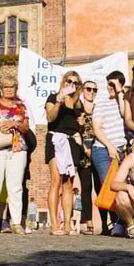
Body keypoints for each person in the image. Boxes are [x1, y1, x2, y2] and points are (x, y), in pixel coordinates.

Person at [0, 76, 30, 235]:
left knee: (15, 186)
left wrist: (15, 123)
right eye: (6, 87)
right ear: (0, 89)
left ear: (16, 88)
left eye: (12, 86)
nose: (9, 89)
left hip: (17, 148)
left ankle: (16, 222)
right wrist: (1, 124)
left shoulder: (22, 106)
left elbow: (26, 127)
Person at [45, 70, 82, 235]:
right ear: (63, 82)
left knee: (68, 183)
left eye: (75, 82)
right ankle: (54, 223)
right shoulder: (53, 97)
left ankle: (67, 224)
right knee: (56, 180)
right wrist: (60, 100)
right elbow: (50, 118)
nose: (71, 84)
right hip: (55, 139)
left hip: (71, 141)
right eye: (68, 81)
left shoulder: (78, 104)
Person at [91, 70, 127, 235]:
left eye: (113, 84)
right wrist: (110, 146)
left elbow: (125, 114)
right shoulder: (101, 104)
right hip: (103, 150)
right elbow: (96, 128)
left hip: (123, 149)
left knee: (124, 186)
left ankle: (122, 223)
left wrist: (120, 92)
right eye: (108, 84)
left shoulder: (126, 100)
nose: (110, 87)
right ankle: (117, 225)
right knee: (109, 186)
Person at [75, 79, 96, 235]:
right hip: (83, 150)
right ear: (83, 90)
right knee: (86, 187)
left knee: (102, 185)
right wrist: (84, 148)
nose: (91, 92)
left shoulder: (98, 107)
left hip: (98, 149)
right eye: (88, 89)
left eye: (94, 90)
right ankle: (87, 220)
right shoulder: (78, 107)